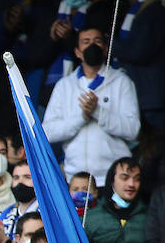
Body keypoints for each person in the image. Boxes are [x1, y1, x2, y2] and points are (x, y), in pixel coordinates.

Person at [43, 28, 140, 186]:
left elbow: (133, 130)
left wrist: (98, 112)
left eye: (97, 41)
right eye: (86, 42)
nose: (92, 46)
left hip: (113, 178)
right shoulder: (64, 85)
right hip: (76, 179)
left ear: (106, 48)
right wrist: (81, 117)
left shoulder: (122, 82)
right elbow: (47, 132)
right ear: (77, 52)